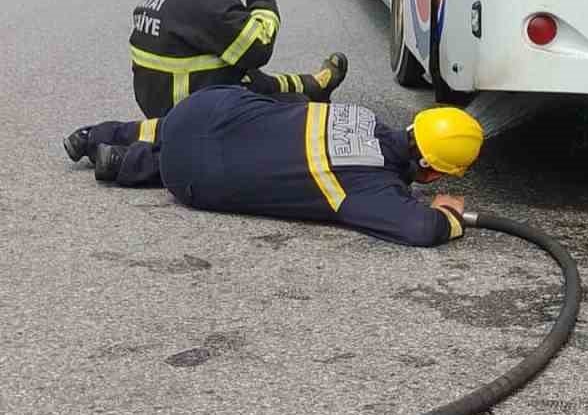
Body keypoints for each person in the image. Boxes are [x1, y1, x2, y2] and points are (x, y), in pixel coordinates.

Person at [64, 88, 484, 247]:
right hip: (190, 178)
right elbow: (418, 229)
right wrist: (447, 216)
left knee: (182, 128)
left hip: (203, 106)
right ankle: (122, 164)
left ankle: (97, 136)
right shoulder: (371, 187)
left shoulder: (362, 115)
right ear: (432, 171)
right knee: (211, 164)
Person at [72, 0, 348, 147]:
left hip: (160, 98)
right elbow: (258, 47)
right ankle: (310, 94)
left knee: (253, 79)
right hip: (192, 108)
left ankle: (316, 83)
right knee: (294, 111)